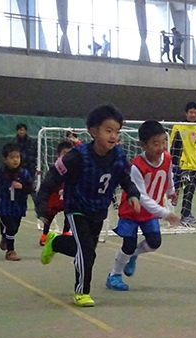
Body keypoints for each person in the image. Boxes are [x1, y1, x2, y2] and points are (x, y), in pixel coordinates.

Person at [35, 104, 141, 307]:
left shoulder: (118, 155)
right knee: (87, 252)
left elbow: (125, 178)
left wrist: (133, 194)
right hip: (76, 208)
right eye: (108, 130)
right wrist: (42, 206)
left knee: (85, 249)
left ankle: (55, 242)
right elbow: (52, 178)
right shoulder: (77, 156)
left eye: (117, 132)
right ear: (93, 131)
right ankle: (82, 291)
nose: (113, 136)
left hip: (98, 210)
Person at [106, 120, 181, 291]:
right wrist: (165, 213)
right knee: (128, 244)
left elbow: (168, 175)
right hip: (132, 210)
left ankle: (133, 256)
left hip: (150, 212)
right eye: (156, 144)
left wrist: (171, 191)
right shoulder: (136, 167)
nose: (161, 147)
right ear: (143, 145)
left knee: (154, 242)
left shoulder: (167, 158)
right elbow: (141, 197)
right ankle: (114, 275)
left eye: (163, 142)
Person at [0, 143, 34, 261]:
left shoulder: (24, 174)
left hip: (18, 205)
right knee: (10, 225)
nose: (15, 160)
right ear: (5, 159)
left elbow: (30, 189)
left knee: (15, 227)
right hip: (3, 204)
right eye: (12, 157)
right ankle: (10, 251)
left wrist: (22, 187)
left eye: (17, 157)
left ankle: (5, 237)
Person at [170, 101, 196, 226]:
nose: (193, 115)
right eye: (191, 112)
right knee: (184, 189)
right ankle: (182, 215)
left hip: (194, 165)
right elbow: (173, 145)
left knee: (190, 190)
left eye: (195, 113)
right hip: (182, 164)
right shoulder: (178, 127)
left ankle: (186, 214)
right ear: (186, 113)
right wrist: (174, 163)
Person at [39, 141, 72, 246]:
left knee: (70, 213)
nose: (67, 156)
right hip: (55, 197)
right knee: (49, 216)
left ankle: (66, 232)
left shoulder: (74, 167)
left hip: (67, 197)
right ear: (58, 156)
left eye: (69, 153)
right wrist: (58, 190)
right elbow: (49, 184)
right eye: (64, 153)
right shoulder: (55, 169)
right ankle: (45, 235)